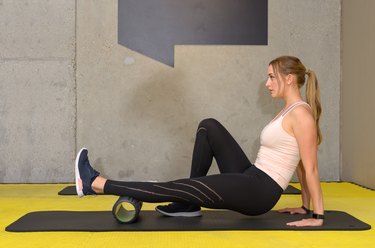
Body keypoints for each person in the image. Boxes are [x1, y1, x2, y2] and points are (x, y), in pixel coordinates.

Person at [75, 55, 324, 227]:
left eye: (271, 77)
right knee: (209, 126)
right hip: (252, 175)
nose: (267, 83)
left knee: (175, 187)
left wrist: (316, 214)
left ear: (289, 78)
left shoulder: (301, 115)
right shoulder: (288, 111)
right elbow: (299, 164)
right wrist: (303, 205)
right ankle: (189, 205)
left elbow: (310, 167)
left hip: (259, 192)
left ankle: (95, 184)